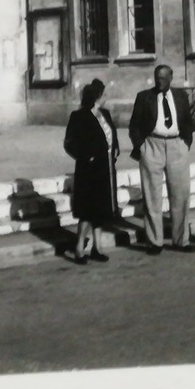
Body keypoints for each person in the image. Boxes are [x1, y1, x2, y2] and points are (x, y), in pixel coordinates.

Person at [127, 64, 195, 254]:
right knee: (152, 197)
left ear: (171, 77)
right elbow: (134, 125)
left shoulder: (181, 96)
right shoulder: (144, 97)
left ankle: (181, 240)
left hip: (176, 146)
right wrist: (141, 146)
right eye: (157, 78)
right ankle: (155, 242)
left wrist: (185, 143)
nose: (160, 81)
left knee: (180, 195)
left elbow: (188, 122)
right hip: (152, 146)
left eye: (164, 78)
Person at [62, 79, 121, 264]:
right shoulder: (79, 116)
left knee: (101, 211)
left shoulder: (105, 114)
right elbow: (69, 143)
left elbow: (111, 135)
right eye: (103, 94)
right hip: (89, 171)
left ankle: (97, 248)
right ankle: (79, 248)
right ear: (96, 97)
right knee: (87, 211)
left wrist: (116, 147)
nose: (106, 97)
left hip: (106, 169)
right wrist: (86, 156)